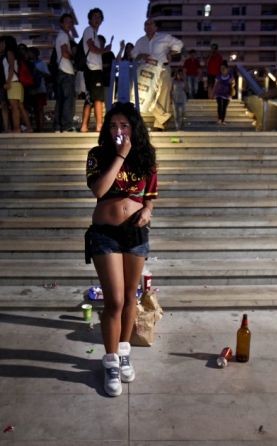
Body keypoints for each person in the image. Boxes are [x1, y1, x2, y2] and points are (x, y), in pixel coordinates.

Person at [84, 102, 158, 397]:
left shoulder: (146, 156)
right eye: (113, 125)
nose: (118, 130)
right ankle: (111, 361)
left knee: (130, 296)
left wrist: (148, 210)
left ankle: (124, 352)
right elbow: (99, 190)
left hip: (136, 233)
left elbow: (150, 195)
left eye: (124, 125)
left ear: (134, 128)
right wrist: (119, 155)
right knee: (113, 300)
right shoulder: (98, 155)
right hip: (105, 234)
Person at [132, 19, 183, 131]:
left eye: (151, 24)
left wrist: (170, 53)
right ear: (144, 28)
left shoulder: (164, 37)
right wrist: (141, 55)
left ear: (156, 27)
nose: (148, 26)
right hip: (145, 71)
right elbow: (133, 55)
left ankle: (160, 124)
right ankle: (164, 116)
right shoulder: (140, 41)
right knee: (144, 95)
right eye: (146, 24)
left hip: (162, 69)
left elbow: (179, 44)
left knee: (163, 94)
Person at [80, 8, 111, 133]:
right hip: (93, 69)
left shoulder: (93, 33)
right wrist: (104, 50)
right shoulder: (89, 30)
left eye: (99, 17)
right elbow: (91, 47)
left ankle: (84, 126)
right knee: (98, 99)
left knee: (89, 99)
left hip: (91, 69)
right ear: (90, 19)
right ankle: (99, 126)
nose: (97, 19)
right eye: (95, 17)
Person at [3, 36, 33, 133]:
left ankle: (17, 128)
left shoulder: (9, 52)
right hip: (18, 83)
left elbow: (11, 68)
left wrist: (7, 82)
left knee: (14, 107)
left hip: (13, 82)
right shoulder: (16, 53)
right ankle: (29, 127)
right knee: (20, 106)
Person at [53, 13, 77, 132]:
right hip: (66, 70)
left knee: (61, 100)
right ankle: (67, 125)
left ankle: (58, 126)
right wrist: (74, 56)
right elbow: (64, 53)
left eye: (71, 22)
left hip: (61, 71)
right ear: (62, 24)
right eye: (67, 21)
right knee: (68, 100)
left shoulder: (63, 35)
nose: (70, 24)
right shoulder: (63, 36)